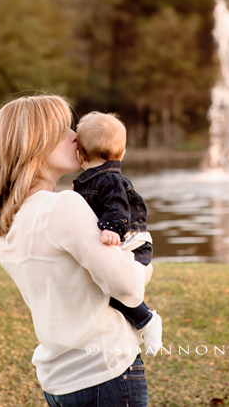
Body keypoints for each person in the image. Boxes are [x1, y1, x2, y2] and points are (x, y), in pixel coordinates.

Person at [0, 95, 151, 406]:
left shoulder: (6, 223)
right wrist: (143, 252)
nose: (75, 136)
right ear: (34, 145)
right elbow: (129, 287)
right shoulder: (64, 206)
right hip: (106, 372)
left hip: (58, 381)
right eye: (62, 131)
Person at [73, 111, 162, 355]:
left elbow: (117, 206)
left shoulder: (109, 178)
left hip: (131, 240)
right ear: (122, 153)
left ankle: (147, 321)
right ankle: (138, 322)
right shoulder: (86, 181)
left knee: (112, 285)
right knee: (103, 285)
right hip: (120, 240)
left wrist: (112, 228)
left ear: (79, 155)